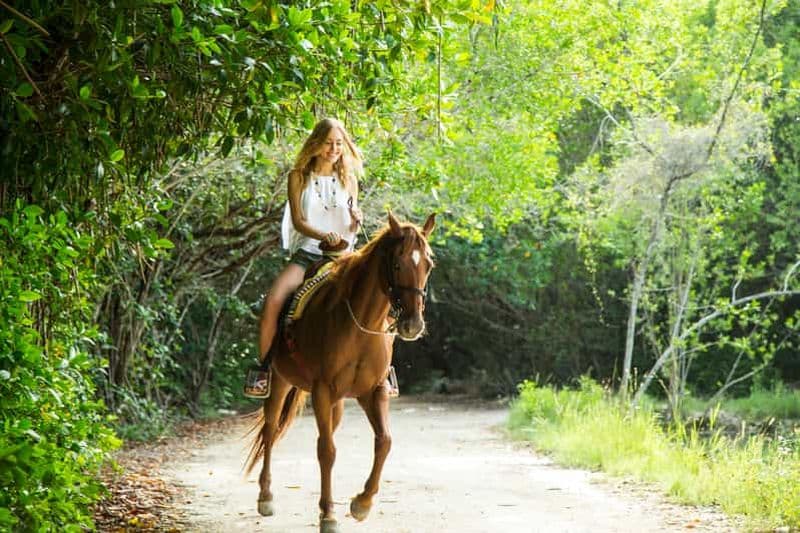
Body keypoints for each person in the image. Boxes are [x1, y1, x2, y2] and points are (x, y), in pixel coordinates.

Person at [243, 118, 363, 398]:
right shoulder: (298, 176)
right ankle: (265, 372)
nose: (334, 148)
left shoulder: (350, 179)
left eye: (339, 143)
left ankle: (382, 372)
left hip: (343, 257)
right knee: (273, 301)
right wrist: (323, 236)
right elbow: (298, 221)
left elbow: (351, 224)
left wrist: (358, 220)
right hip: (308, 255)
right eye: (328, 142)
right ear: (316, 143)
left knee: (378, 300)